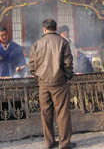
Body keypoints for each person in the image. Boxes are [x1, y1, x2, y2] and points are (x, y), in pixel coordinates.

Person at [29, 19, 76, 149]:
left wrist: (38, 76)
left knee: (46, 114)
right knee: (62, 113)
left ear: (44, 29)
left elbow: (32, 65)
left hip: (43, 83)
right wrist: (67, 77)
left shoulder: (36, 44)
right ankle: (64, 143)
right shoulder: (63, 42)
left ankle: (49, 142)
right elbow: (68, 63)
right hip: (59, 82)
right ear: (56, 29)